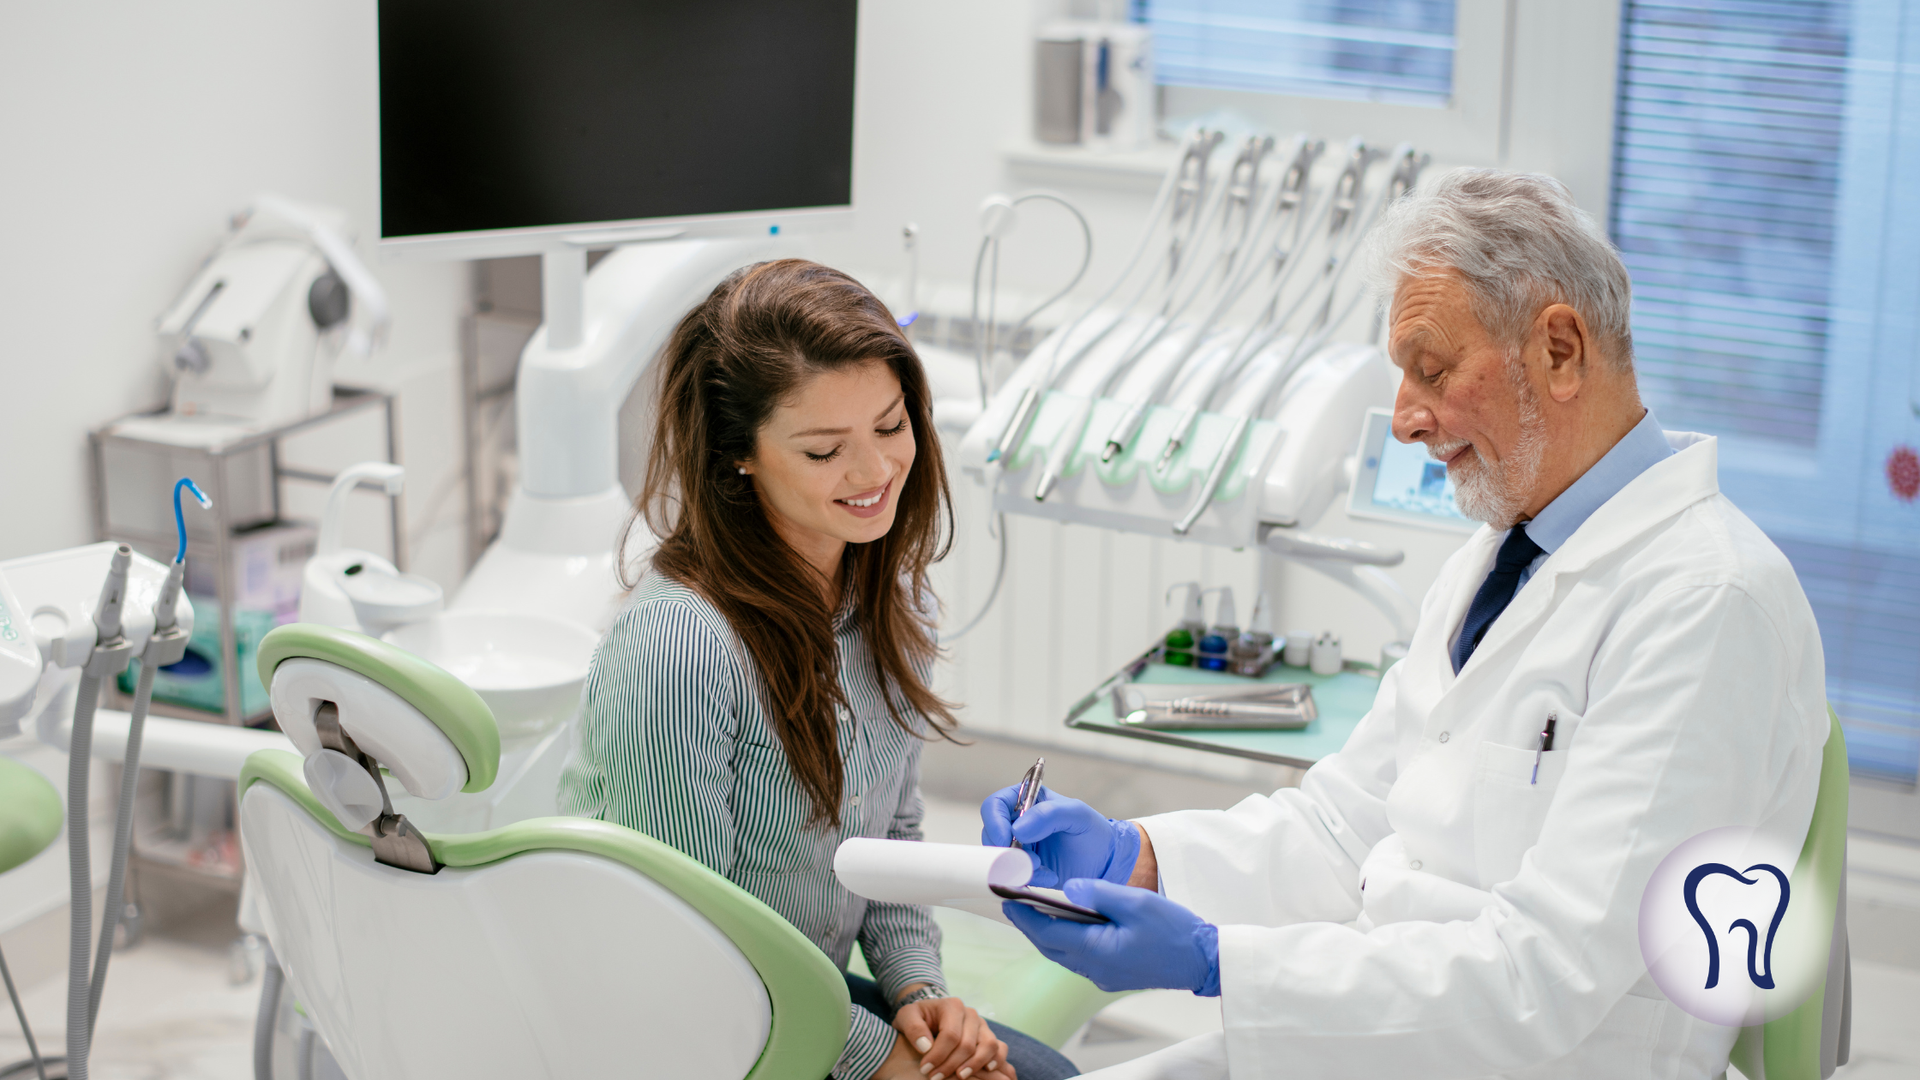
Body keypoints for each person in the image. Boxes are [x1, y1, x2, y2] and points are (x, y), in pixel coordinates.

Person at [982, 170, 1830, 1079]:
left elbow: (1542, 979)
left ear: (1559, 349)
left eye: (1431, 370)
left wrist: (1218, 963)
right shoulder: (1503, 558)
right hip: (1386, 1039)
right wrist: (1139, 858)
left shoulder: (1706, 606)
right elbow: (1346, 828)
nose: (1404, 421)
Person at [559, 259, 1077, 1080]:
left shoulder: (887, 599)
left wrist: (918, 993)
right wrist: (881, 1062)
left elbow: (891, 837)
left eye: (891, 425)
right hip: (691, 1027)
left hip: (803, 992)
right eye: (825, 449)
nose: (875, 473)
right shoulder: (682, 647)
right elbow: (691, 945)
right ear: (739, 456)